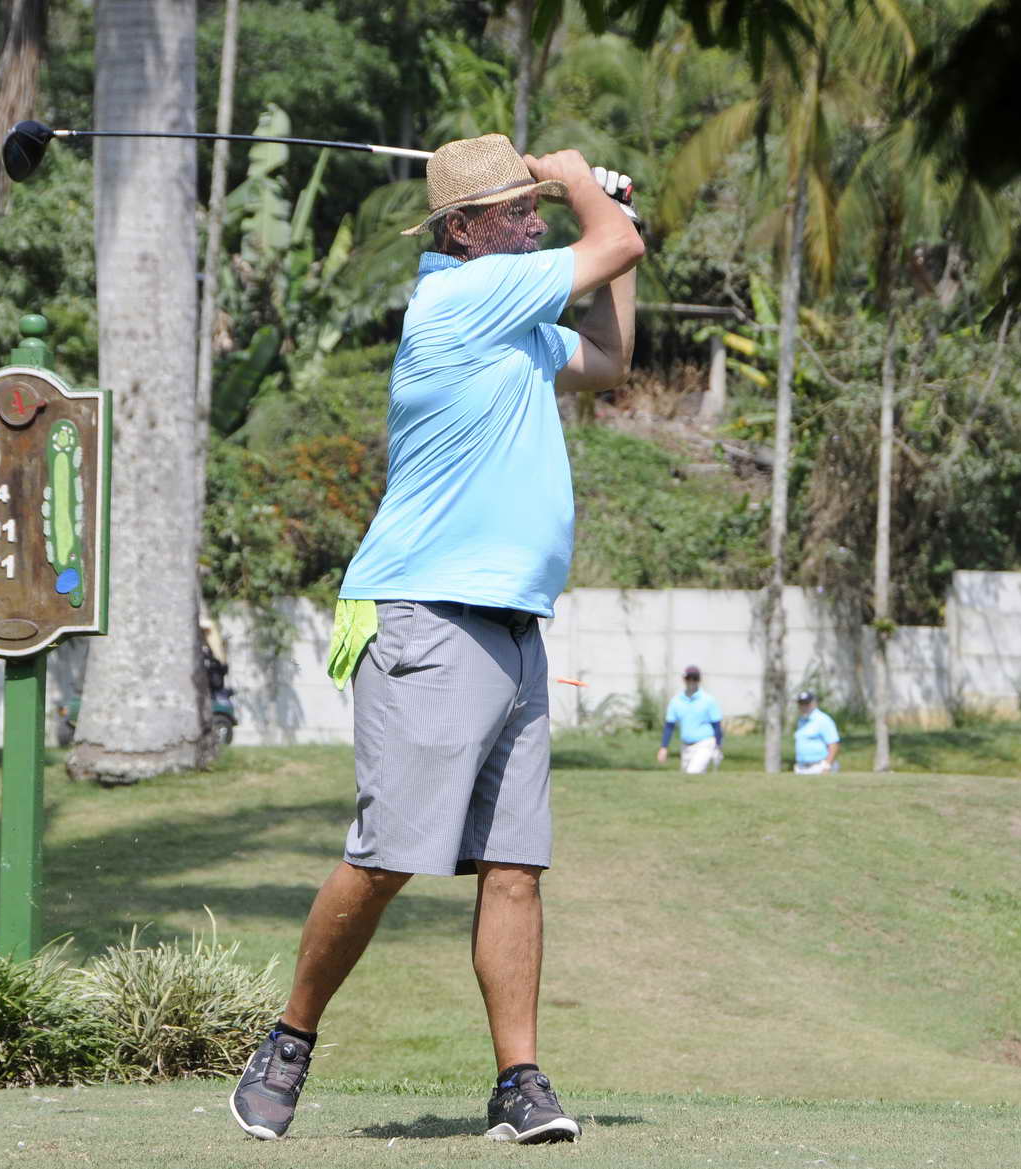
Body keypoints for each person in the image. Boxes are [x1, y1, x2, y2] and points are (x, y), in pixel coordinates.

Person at [229, 133, 643, 1145]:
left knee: (514, 864)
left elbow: (610, 359)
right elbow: (610, 245)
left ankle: (519, 1082)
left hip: (510, 623)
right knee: (388, 857)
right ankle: (288, 1039)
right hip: (428, 612)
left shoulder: (512, 320)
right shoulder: (462, 299)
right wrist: (579, 179)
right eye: (516, 210)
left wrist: (619, 216)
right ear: (463, 230)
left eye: (535, 206)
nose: (534, 221)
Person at [657, 666, 723, 773]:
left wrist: (718, 745)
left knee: (693, 772)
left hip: (705, 744)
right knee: (688, 777)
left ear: (699, 680)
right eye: (688, 678)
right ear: (684, 679)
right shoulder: (676, 701)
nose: (691, 681)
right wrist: (664, 747)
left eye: (695, 678)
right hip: (685, 747)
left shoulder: (708, 700)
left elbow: (716, 725)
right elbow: (669, 726)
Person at [792, 690, 841, 775]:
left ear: (813, 703)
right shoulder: (801, 721)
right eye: (801, 703)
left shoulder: (822, 719)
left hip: (819, 766)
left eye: (806, 703)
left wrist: (827, 765)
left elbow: (834, 744)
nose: (804, 706)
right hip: (802, 767)